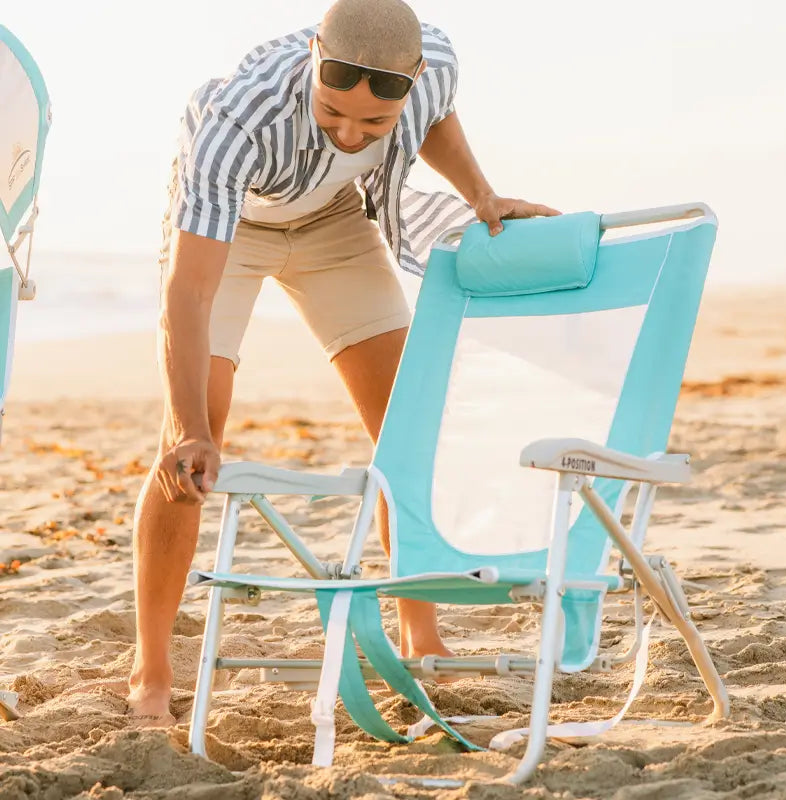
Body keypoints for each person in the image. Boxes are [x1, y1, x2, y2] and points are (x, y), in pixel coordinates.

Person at [129, 0, 559, 723]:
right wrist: (189, 424)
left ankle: (422, 638)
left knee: (404, 434)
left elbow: (437, 116)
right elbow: (190, 290)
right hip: (232, 230)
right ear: (312, 54)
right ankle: (151, 671)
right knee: (189, 451)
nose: (350, 132)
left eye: (373, 124)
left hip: (333, 223)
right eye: (333, 112)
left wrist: (481, 194)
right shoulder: (239, 118)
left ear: (411, 79)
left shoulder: (435, 63)